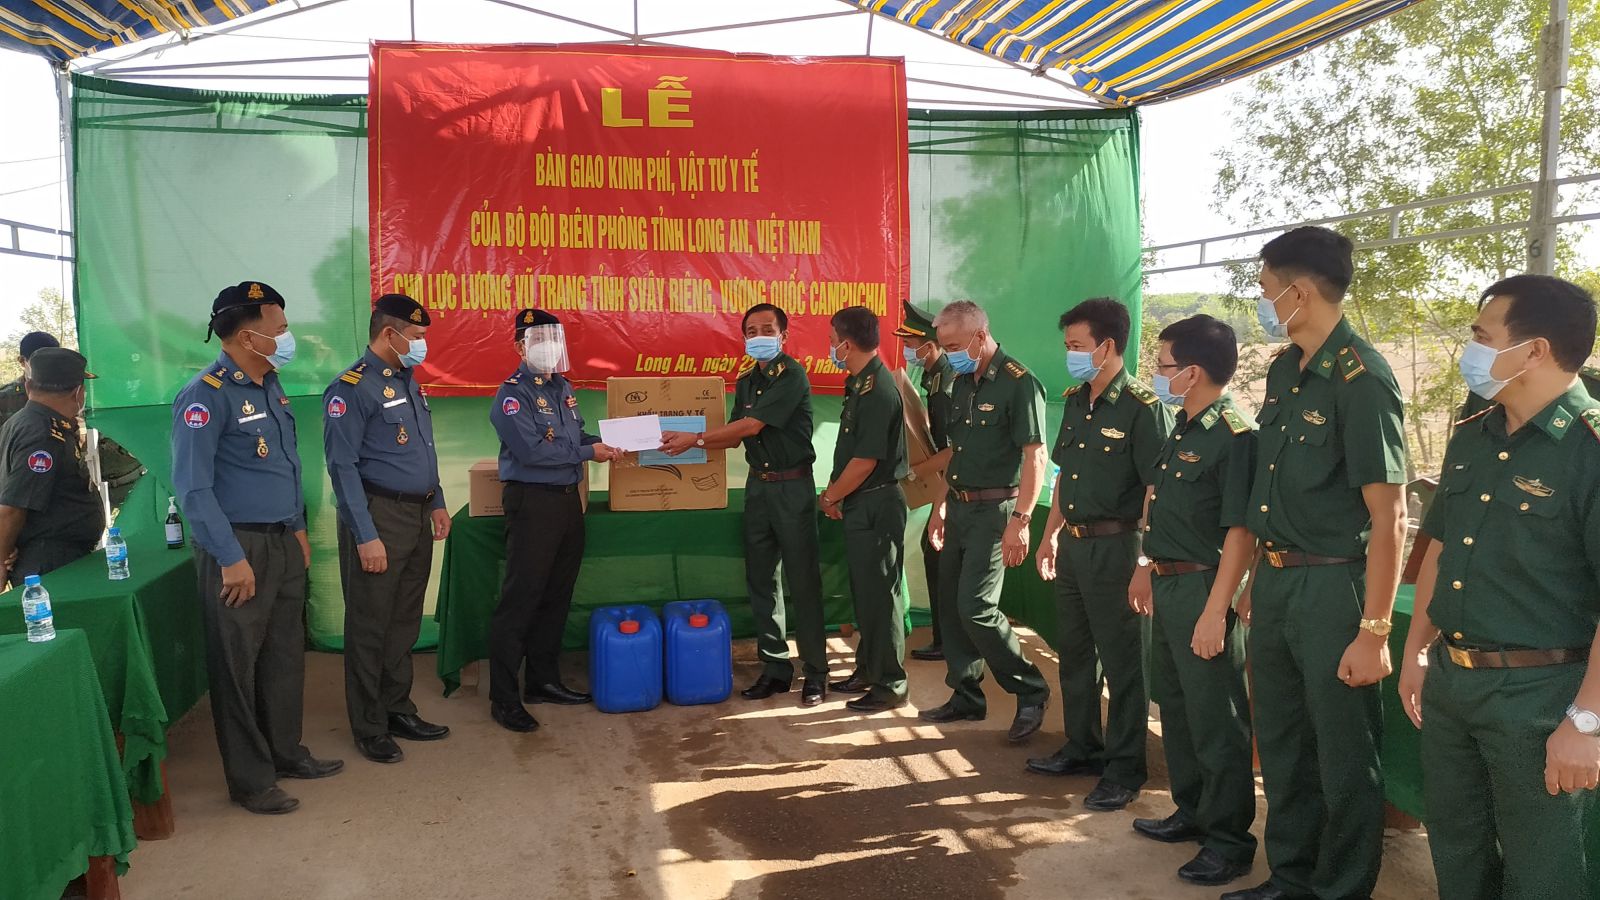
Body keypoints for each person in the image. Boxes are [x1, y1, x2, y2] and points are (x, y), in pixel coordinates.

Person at [1398, 274, 1600, 899]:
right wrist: (1415, 650)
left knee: (1543, 868)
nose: (1472, 350)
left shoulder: (1589, 449)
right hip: (1455, 684)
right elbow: (1440, 549)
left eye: (1483, 337)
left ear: (1534, 350)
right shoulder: (1474, 434)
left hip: (1542, 695)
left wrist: (1587, 721)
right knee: (1457, 848)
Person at [1226, 226, 1408, 900]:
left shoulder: (1362, 377)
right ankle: (1293, 874)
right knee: (1282, 740)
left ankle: (1342, 888)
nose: (1267, 302)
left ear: (1299, 291)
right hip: (1275, 583)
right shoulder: (1282, 369)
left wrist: (1376, 629)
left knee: (1342, 753)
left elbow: (1390, 516)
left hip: (1335, 586)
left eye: (1270, 291)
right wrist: (1251, 580)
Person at [171, 281, 343, 816]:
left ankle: (286, 752)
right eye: (280, 329)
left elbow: (282, 466)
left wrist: (295, 529)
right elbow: (193, 489)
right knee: (237, 667)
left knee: (285, 656)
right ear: (249, 334)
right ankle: (250, 780)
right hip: (238, 547)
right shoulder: (204, 395)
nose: (287, 337)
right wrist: (229, 558)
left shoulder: (270, 385)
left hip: (281, 542)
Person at [1127, 315, 1258, 887]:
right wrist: (1145, 567)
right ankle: (1194, 809)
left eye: (1162, 366)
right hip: (1168, 580)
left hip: (1206, 588)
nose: (1157, 376)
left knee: (1216, 719)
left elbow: (1240, 533)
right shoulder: (1183, 425)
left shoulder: (1234, 435)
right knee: (1177, 707)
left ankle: (1229, 840)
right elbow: (1157, 501)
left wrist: (1216, 609)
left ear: (1194, 371)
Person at [1030, 298, 1174, 812]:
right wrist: (1049, 535)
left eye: (1076, 346)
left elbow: (1158, 491)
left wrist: (1144, 563)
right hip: (1073, 544)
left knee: (1124, 664)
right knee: (1075, 655)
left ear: (1107, 346)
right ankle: (1082, 745)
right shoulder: (1075, 400)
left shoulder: (1142, 406)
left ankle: (1125, 768)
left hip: (1119, 547)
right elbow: (1064, 475)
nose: (1069, 354)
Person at [660, 303, 830, 706]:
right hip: (759, 489)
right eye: (751, 331)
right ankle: (774, 668)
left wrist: (692, 439)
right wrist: (686, 438)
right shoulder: (747, 380)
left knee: (803, 583)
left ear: (783, 336)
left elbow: (752, 426)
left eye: (766, 329)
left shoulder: (792, 375)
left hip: (792, 488)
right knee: (762, 580)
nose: (758, 337)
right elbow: (735, 437)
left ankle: (816, 673)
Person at [323, 293, 451, 764]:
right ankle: (370, 725)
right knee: (370, 624)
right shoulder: (351, 388)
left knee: (403, 621)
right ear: (389, 334)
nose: (421, 346)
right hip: (379, 516)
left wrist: (436, 500)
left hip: (418, 515)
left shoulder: (409, 381)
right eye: (416, 337)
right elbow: (342, 466)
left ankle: (398, 707)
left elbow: (423, 449)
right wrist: (365, 534)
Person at [917, 299, 1051, 742]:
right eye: (943, 345)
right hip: (957, 506)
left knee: (976, 606)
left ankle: (1029, 688)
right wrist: (939, 506)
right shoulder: (961, 382)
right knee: (954, 606)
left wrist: (1023, 519)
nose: (948, 353)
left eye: (953, 344)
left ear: (979, 336)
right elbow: (955, 453)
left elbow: (1035, 456)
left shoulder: (1020, 383)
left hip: (996, 512)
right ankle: (966, 695)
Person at [487, 309, 617, 733]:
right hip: (533, 504)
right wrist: (587, 454)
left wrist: (608, 442)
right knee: (521, 600)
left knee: (556, 595)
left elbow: (576, 437)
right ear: (520, 347)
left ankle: (543, 681)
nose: (547, 348)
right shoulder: (511, 395)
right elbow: (532, 452)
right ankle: (503, 697)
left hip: (566, 502)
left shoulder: (563, 388)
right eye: (537, 340)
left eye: (552, 340)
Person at [820, 306, 910, 712]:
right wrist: (840, 492)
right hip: (861, 501)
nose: (830, 347)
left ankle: (890, 683)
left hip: (876, 502)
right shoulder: (859, 383)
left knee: (881, 597)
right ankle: (869, 669)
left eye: (831, 339)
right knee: (865, 594)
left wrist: (831, 496)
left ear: (847, 343)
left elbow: (866, 461)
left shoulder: (878, 389)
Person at [0, 348, 105, 587]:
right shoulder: (43, 436)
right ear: (78, 393)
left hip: (51, 558)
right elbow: (13, 507)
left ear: (29, 387)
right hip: (50, 563)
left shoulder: (21, 422)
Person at [1, 331, 143, 505]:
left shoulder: (71, 388)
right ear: (23, 362)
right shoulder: (6, 400)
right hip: (25, 492)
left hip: (79, 480)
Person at [895, 300, 956, 662]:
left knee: (939, 557)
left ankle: (948, 640)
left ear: (929, 345)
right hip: (948, 484)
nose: (907, 350)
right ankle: (944, 637)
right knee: (937, 558)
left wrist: (919, 474)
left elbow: (953, 449)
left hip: (954, 487)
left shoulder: (945, 381)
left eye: (910, 343)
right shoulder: (933, 377)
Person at [0, 332, 61, 429]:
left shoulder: (64, 393)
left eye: (54, 362)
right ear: (22, 361)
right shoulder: (4, 399)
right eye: (40, 362)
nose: (48, 368)